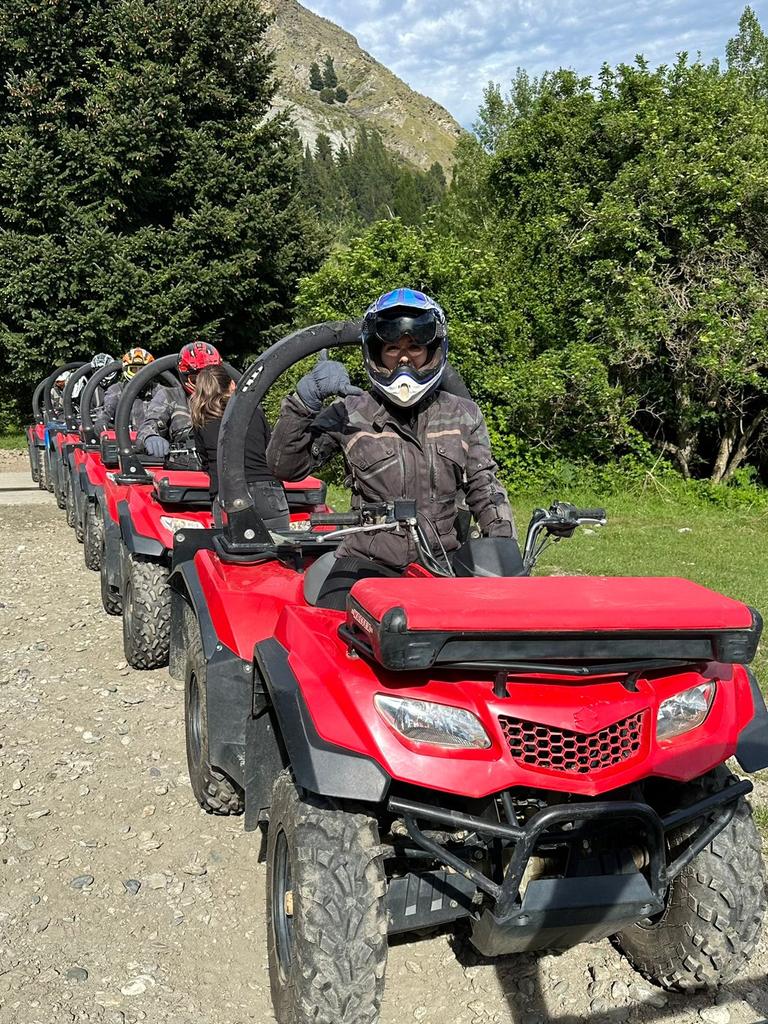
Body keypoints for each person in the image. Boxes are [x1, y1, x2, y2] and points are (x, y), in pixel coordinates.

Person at [266, 288, 516, 608]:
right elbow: (284, 466)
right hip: (366, 563)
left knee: (483, 632)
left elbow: (485, 486)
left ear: (433, 350)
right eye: (392, 348)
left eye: (414, 347)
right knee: (334, 633)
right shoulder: (350, 412)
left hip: (443, 563)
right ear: (374, 352)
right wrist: (303, 403)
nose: (403, 357)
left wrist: (503, 546)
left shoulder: (463, 414)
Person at [190, 364, 290, 530]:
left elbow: (206, 463)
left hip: (228, 494)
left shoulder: (201, 422)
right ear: (232, 385)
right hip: (268, 491)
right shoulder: (254, 413)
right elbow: (270, 450)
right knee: (281, 552)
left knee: (233, 554)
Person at [137, 341, 221, 459]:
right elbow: (150, 423)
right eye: (197, 379)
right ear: (184, 376)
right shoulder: (170, 396)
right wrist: (149, 436)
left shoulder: (228, 397)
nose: (205, 386)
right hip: (185, 467)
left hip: (225, 467)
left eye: (210, 379)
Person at [94, 347, 155, 433]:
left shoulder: (159, 390)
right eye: (133, 369)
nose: (138, 373)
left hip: (155, 439)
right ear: (126, 370)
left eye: (142, 369)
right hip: (124, 439)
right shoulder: (116, 390)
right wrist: (102, 419)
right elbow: (108, 408)